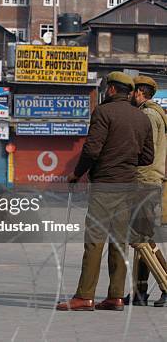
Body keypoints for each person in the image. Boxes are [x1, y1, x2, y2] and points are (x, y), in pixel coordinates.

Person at [57, 72, 154, 311]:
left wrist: (76, 174)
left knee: (94, 241)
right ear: (129, 92)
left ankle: (84, 296)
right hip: (128, 185)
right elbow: (147, 157)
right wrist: (126, 163)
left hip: (105, 185)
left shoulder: (103, 112)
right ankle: (116, 296)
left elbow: (91, 150)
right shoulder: (141, 118)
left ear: (111, 89)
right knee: (118, 242)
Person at [126, 75, 167, 307]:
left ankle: (165, 284)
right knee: (142, 238)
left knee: (141, 239)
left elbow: (144, 151)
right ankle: (140, 292)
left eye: (132, 92)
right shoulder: (153, 113)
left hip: (144, 181)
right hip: (147, 181)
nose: (129, 96)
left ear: (140, 92)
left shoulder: (148, 116)